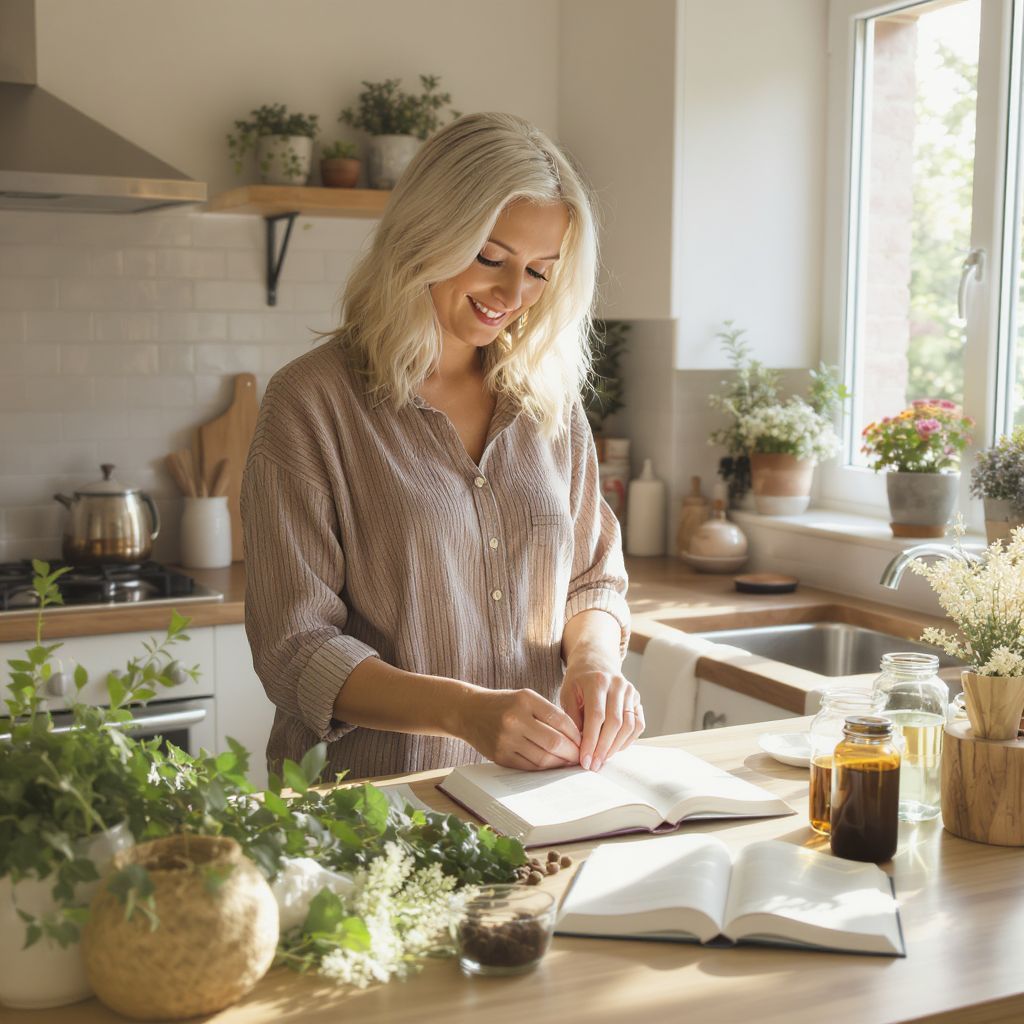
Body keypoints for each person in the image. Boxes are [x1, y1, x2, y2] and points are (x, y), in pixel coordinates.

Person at [241, 111, 643, 782]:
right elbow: (295, 647)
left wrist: (594, 661)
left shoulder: (549, 402)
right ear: (428, 233)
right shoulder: (311, 402)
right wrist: (462, 712)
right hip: (369, 808)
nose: (513, 294)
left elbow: (592, 579)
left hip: (529, 799)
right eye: (490, 258)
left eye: (539, 271)